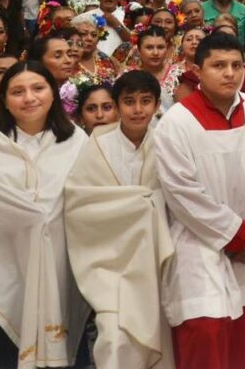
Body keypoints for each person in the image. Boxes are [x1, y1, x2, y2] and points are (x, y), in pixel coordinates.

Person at [154, 31, 245, 369]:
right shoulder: (176, 122)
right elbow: (182, 192)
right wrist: (240, 235)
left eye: (235, 65)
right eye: (218, 65)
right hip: (200, 249)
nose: (229, 73)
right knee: (208, 341)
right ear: (197, 70)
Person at [0, 61, 90, 368]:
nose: (29, 98)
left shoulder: (75, 141)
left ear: (54, 94)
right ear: (2, 99)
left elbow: (88, 202)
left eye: (38, 88)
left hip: (60, 265)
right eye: (17, 91)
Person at [64, 70, 175, 368]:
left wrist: (148, 205)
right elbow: (78, 202)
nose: (138, 110)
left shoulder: (168, 143)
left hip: (160, 259)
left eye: (145, 101)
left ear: (156, 105)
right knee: (115, 337)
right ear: (116, 105)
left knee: (165, 336)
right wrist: (137, 204)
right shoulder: (98, 145)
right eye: (128, 102)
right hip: (109, 263)